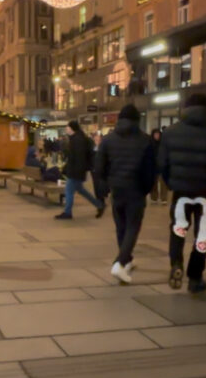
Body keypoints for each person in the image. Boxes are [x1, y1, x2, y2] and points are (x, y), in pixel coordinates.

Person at [158, 93, 206, 294]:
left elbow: (162, 163)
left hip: (181, 191)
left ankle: (176, 264)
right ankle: (195, 277)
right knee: (203, 234)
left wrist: (172, 183)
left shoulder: (171, 132)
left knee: (178, 229)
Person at [95, 104, 156, 284]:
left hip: (117, 189)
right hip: (135, 189)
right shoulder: (145, 140)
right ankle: (120, 263)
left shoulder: (108, 140)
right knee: (132, 227)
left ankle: (126, 259)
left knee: (121, 226)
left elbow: (99, 167)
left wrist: (105, 187)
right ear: (137, 121)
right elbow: (151, 169)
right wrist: (145, 189)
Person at [55, 120, 106, 220]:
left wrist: (75, 171)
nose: (66, 129)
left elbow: (78, 157)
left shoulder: (77, 140)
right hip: (77, 170)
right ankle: (99, 205)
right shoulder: (77, 138)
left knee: (69, 191)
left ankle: (67, 212)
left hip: (75, 171)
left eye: (68, 127)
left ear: (72, 128)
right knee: (82, 191)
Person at [149, 128, 168, 204]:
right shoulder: (150, 144)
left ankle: (164, 198)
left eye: (158, 134)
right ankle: (154, 198)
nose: (157, 136)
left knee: (163, 183)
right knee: (153, 183)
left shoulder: (163, 144)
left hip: (162, 166)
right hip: (153, 166)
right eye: (155, 134)